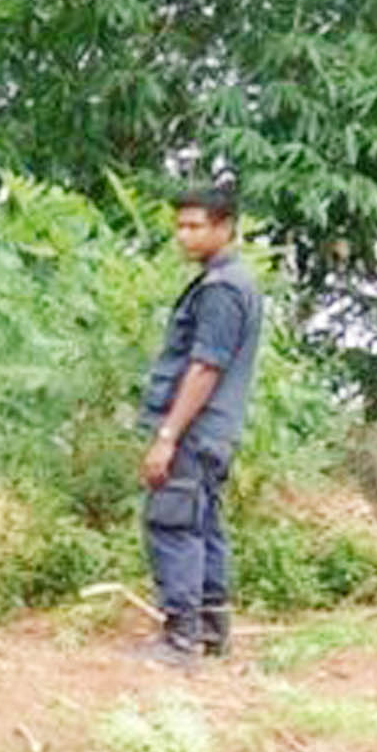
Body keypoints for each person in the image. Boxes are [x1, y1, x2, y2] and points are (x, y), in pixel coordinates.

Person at [134, 183, 262, 667]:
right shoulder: (231, 282)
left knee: (173, 521)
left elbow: (204, 367)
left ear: (225, 228)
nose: (184, 236)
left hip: (195, 430)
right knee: (204, 524)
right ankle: (211, 631)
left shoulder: (222, 289)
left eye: (195, 226)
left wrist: (167, 436)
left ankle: (180, 639)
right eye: (180, 226)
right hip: (214, 432)